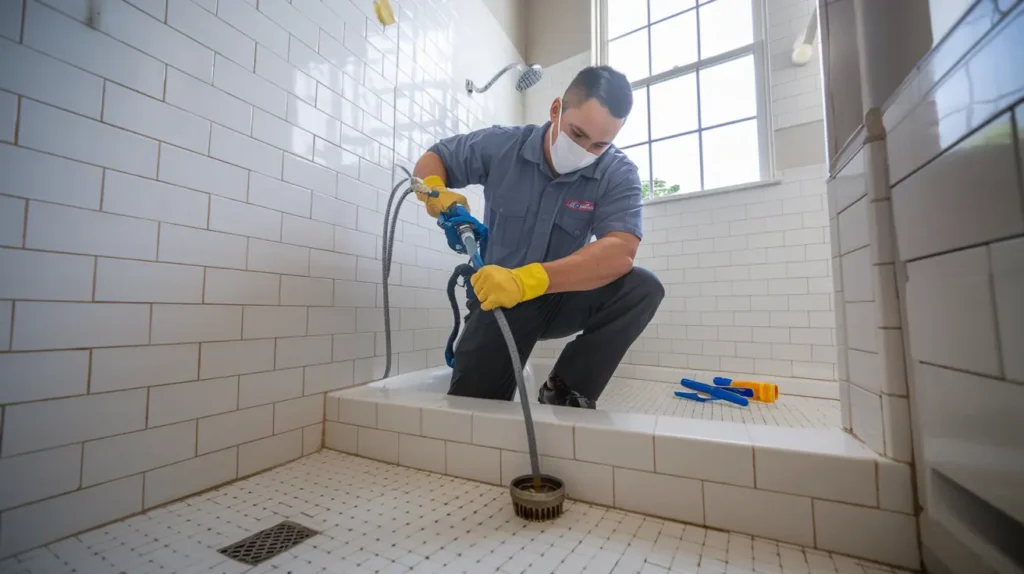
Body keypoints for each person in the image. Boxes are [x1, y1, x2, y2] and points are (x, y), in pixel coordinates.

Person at [411, 65, 664, 409]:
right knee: (472, 411)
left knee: (642, 288)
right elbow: (435, 158)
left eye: (600, 144)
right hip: (497, 300)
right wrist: (436, 192)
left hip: (558, 294)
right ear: (556, 110)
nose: (586, 151)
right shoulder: (503, 145)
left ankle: (564, 389)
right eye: (577, 135)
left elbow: (620, 251)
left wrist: (529, 279)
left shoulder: (616, 173)